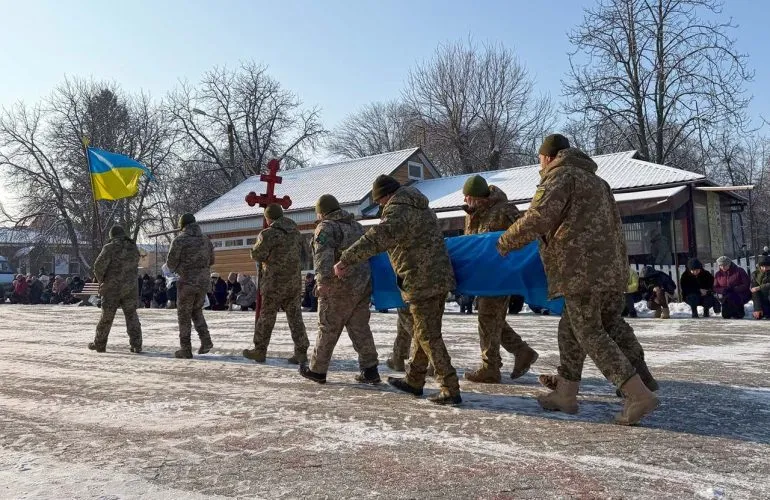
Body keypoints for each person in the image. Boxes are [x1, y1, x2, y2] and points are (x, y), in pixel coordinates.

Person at [497, 133, 658, 425]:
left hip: (581, 271)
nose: (540, 166)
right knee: (577, 329)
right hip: (610, 271)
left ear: (548, 157)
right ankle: (566, 394)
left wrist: (505, 241)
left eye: (540, 160)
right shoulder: (598, 182)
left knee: (590, 332)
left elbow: (539, 217)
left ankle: (638, 395)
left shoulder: (560, 177)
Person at [334, 174, 462, 405]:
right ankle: (414, 380)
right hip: (437, 277)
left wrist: (346, 258)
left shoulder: (398, 209)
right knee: (424, 331)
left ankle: (450, 387)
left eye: (380, 202)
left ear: (386, 196)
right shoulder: (420, 206)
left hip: (421, 279)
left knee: (427, 335)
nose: (381, 206)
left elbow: (378, 238)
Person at [461, 174, 538, 384]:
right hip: (483, 275)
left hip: (500, 274)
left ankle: (490, 367)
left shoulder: (504, 209)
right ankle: (522, 351)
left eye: (468, 198)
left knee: (487, 318)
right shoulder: (473, 214)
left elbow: (526, 233)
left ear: (476, 197)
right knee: (492, 319)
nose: (466, 202)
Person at [299, 194, 380, 384]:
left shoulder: (326, 227)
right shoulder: (356, 226)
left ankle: (317, 370)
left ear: (322, 212)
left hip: (338, 286)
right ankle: (370, 370)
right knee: (360, 328)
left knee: (328, 326)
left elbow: (323, 257)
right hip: (362, 285)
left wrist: (322, 282)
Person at [243, 204, 309, 364]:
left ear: (269, 218)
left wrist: (252, 251)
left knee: (267, 317)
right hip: (293, 283)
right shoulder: (296, 233)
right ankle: (301, 352)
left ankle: (260, 350)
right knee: (295, 318)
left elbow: (259, 255)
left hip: (274, 283)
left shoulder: (268, 234)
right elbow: (306, 257)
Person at [166, 213, 215, 358]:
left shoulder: (180, 240)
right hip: (203, 282)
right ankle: (206, 341)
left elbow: (170, 264)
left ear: (182, 225)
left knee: (184, 315)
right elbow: (212, 260)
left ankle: (186, 348)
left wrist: (182, 267)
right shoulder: (206, 240)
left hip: (187, 282)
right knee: (196, 311)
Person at [88, 225, 143, 353]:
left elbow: (98, 267)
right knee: (131, 316)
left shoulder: (109, 247)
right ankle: (137, 344)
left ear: (112, 236)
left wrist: (102, 280)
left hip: (112, 288)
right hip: (130, 288)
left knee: (106, 317)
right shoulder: (133, 247)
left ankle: (100, 344)